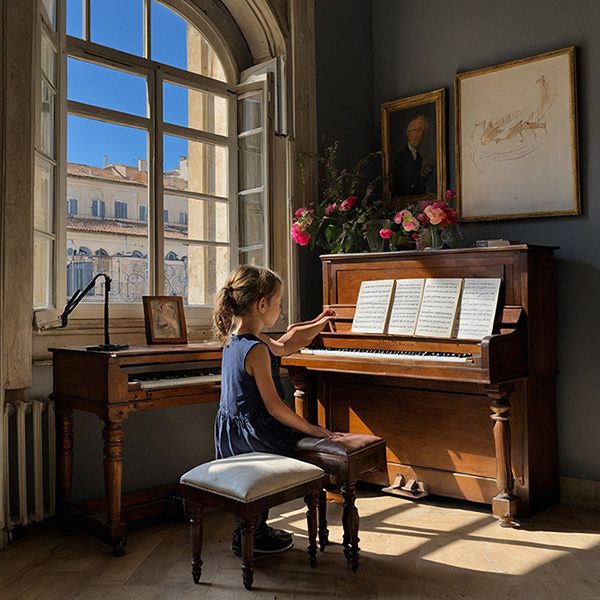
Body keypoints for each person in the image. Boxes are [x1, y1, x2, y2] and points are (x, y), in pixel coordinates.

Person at [212, 265, 336, 557]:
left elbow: (285, 344)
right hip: (254, 437)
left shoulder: (237, 339)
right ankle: (253, 534)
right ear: (262, 304)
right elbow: (275, 406)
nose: (281, 310)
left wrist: (319, 322)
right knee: (298, 447)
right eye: (279, 303)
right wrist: (310, 428)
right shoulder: (256, 349)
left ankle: (251, 529)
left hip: (230, 436)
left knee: (284, 442)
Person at [392, 115, 435, 196]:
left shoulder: (420, 157)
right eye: (414, 131)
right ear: (408, 135)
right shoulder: (401, 157)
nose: (417, 134)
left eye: (419, 130)